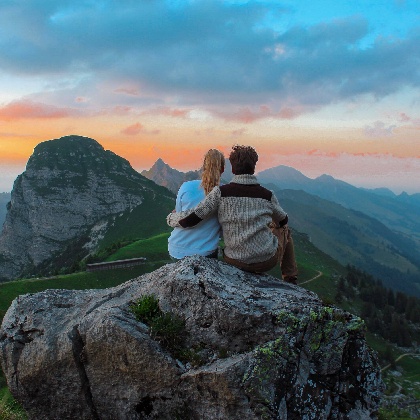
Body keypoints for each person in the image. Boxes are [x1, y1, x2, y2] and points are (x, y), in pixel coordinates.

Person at [167, 145, 298, 283]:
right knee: (285, 230)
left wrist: (171, 218)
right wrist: (272, 225)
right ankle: (290, 278)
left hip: (234, 260)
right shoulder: (267, 195)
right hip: (265, 261)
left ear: (233, 168)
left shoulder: (220, 193)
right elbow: (283, 220)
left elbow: (192, 219)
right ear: (254, 167)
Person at [167, 149, 225, 259]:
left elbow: (179, 213)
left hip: (176, 248)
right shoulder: (225, 192)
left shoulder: (186, 186)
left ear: (203, 167)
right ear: (222, 169)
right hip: (205, 251)